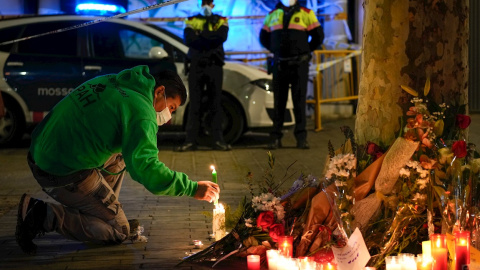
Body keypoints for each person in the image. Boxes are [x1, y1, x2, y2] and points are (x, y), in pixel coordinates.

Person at [15, 65, 220, 255]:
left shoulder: (112, 81)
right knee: (119, 231)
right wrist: (192, 188)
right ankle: (40, 215)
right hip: (60, 169)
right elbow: (146, 168)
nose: (168, 117)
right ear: (159, 92)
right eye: (172, 107)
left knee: (123, 153)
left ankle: (98, 212)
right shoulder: (142, 112)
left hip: (41, 150)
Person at [260, 0, 324, 149]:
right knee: (279, 103)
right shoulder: (272, 14)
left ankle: (301, 138)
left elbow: (318, 36)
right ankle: (276, 138)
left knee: (299, 102)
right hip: (280, 64)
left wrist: (305, 51)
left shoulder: (306, 14)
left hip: (299, 64)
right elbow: (263, 37)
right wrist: (276, 50)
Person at [176, 0, 231, 152]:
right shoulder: (191, 20)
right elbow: (189, 39)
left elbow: (221, 37)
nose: (207, 4)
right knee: (195, 104)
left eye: (209, 2)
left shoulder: (222, 20)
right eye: (204, 2)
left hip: (214, 65)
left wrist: (200, 35)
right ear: (201, 4)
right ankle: (190, 141)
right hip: (197, 66)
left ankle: (218, 140)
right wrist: (210, 37)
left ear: (213, 4)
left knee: (216, 103)